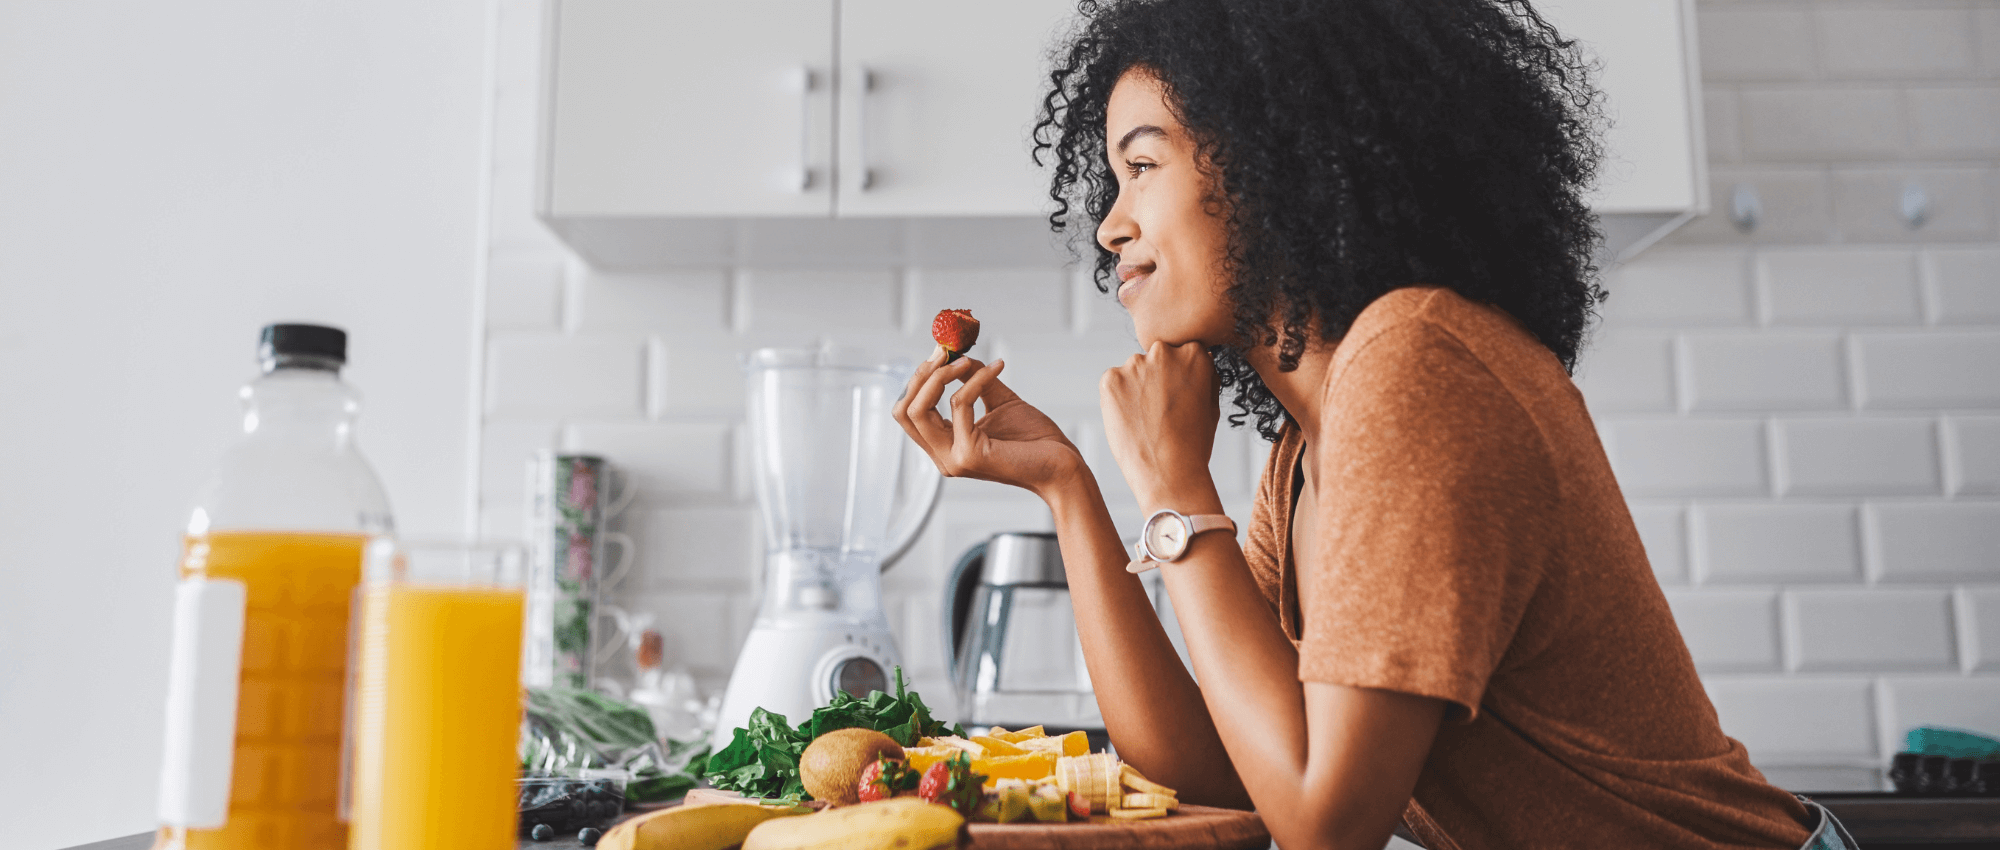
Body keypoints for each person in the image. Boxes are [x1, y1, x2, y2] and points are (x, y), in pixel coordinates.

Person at [895, 1, 1852, 849]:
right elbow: (1221, 772)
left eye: (1141, 165)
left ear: (1275, 161)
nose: (1109, 225)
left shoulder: (1417, 365)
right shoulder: (1302, 452)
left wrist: (1179, 492)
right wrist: (1070, 487)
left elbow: (1325, 824)